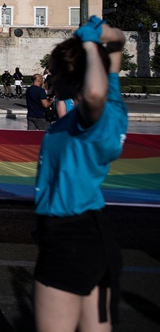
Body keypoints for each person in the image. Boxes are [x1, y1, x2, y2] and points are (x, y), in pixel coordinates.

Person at [33, 17, 127, 331]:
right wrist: (100, 35)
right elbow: (118, 43)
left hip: (67, 238)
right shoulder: (113, 107)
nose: (51, 79)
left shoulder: (89, 119)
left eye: (56, 73)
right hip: (94, 236)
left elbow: (95, 94)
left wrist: (88, 43)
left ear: (76, 77)